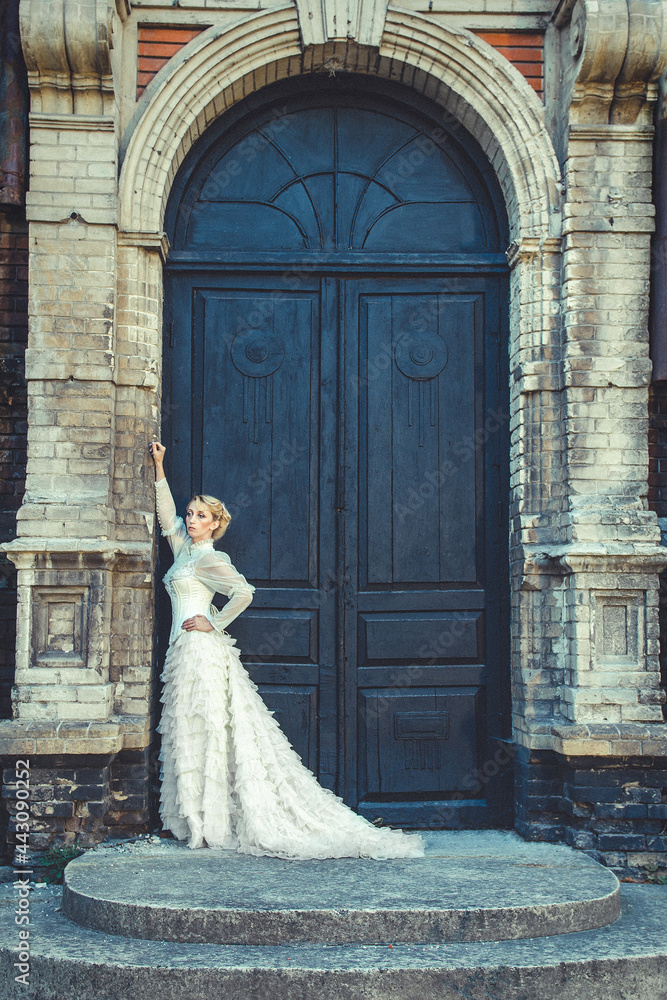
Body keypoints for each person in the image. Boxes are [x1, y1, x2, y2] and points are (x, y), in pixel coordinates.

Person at [149, 440, 425, 859]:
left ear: (214, 524)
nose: (190, 519)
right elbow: (165, 516)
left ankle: (213, 821)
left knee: (208, 728)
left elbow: (244, 592)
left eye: (200, 515)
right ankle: (197, 819)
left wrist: (214, 620)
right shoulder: (184, 552)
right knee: (193, 732)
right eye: (190, 513)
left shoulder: (209, 559)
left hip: (201, 650)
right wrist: (159, 467)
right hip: (183, 653)